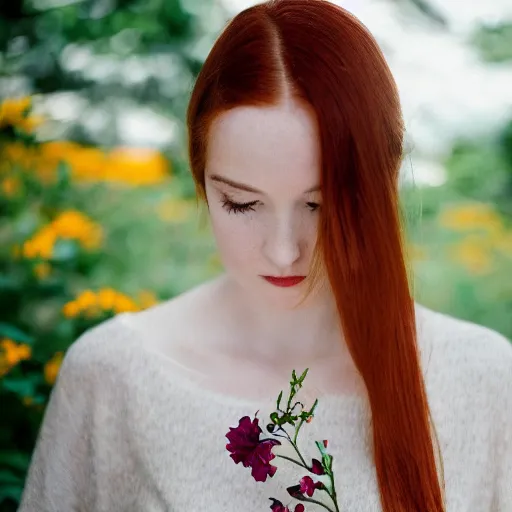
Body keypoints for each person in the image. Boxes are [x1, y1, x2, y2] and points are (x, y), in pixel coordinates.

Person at [18, 0, 512, 511]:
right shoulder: (116, 378)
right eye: (242, 203)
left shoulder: (480, 379)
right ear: (200, 180)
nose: (283, 250)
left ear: (384, 186)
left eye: (320, 205)